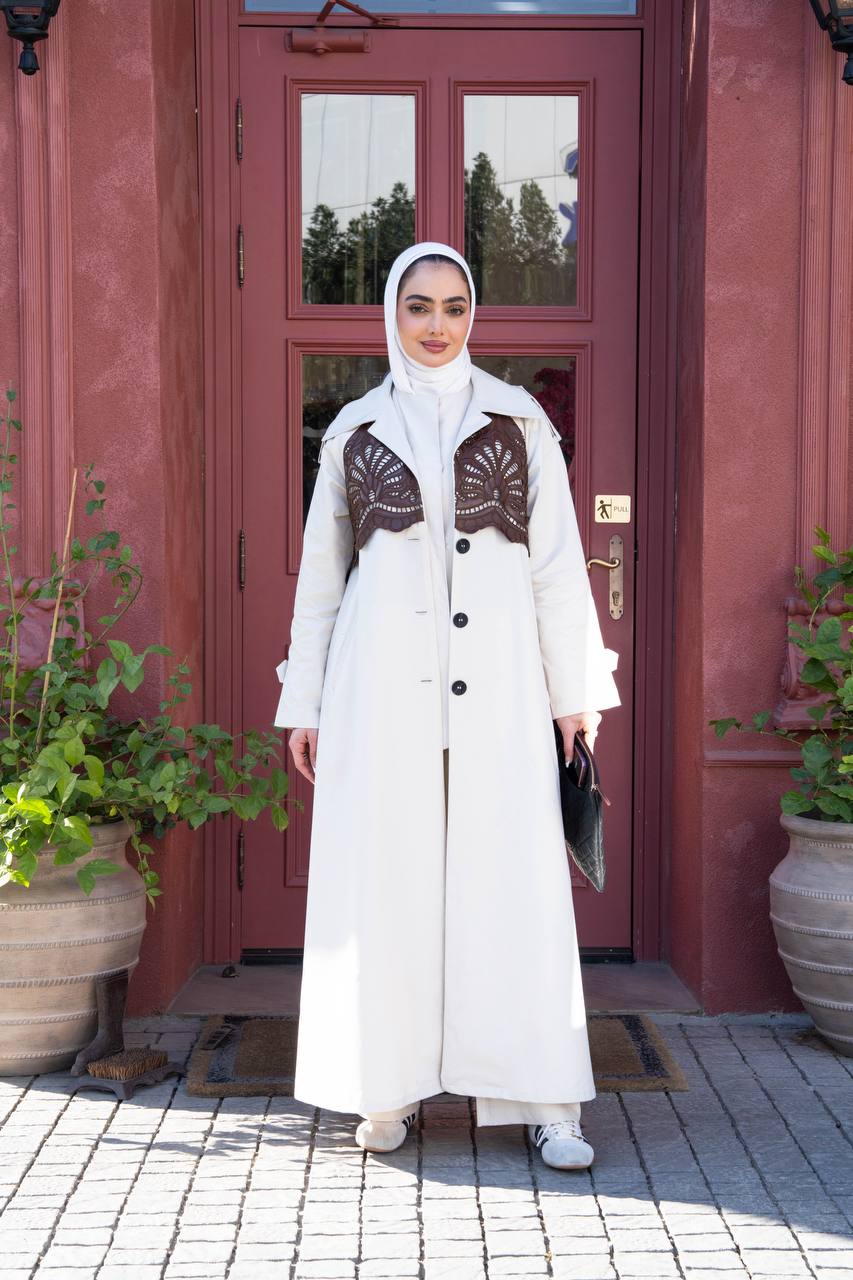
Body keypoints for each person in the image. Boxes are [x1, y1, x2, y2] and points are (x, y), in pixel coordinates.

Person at [274, 240, 621, 1171]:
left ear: (473, 317)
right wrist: (304, 702)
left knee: (512, 887)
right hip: (378, 692)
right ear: (392, 313)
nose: (437, 326)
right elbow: (321, 580)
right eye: (419, 306)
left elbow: (556, 568)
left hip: (500, 692)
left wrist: (573, 694)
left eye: (454, 307)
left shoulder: (519, 421)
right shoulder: (353, 430)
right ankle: (381, 1085)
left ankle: (543, 1100)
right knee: (385, 884)